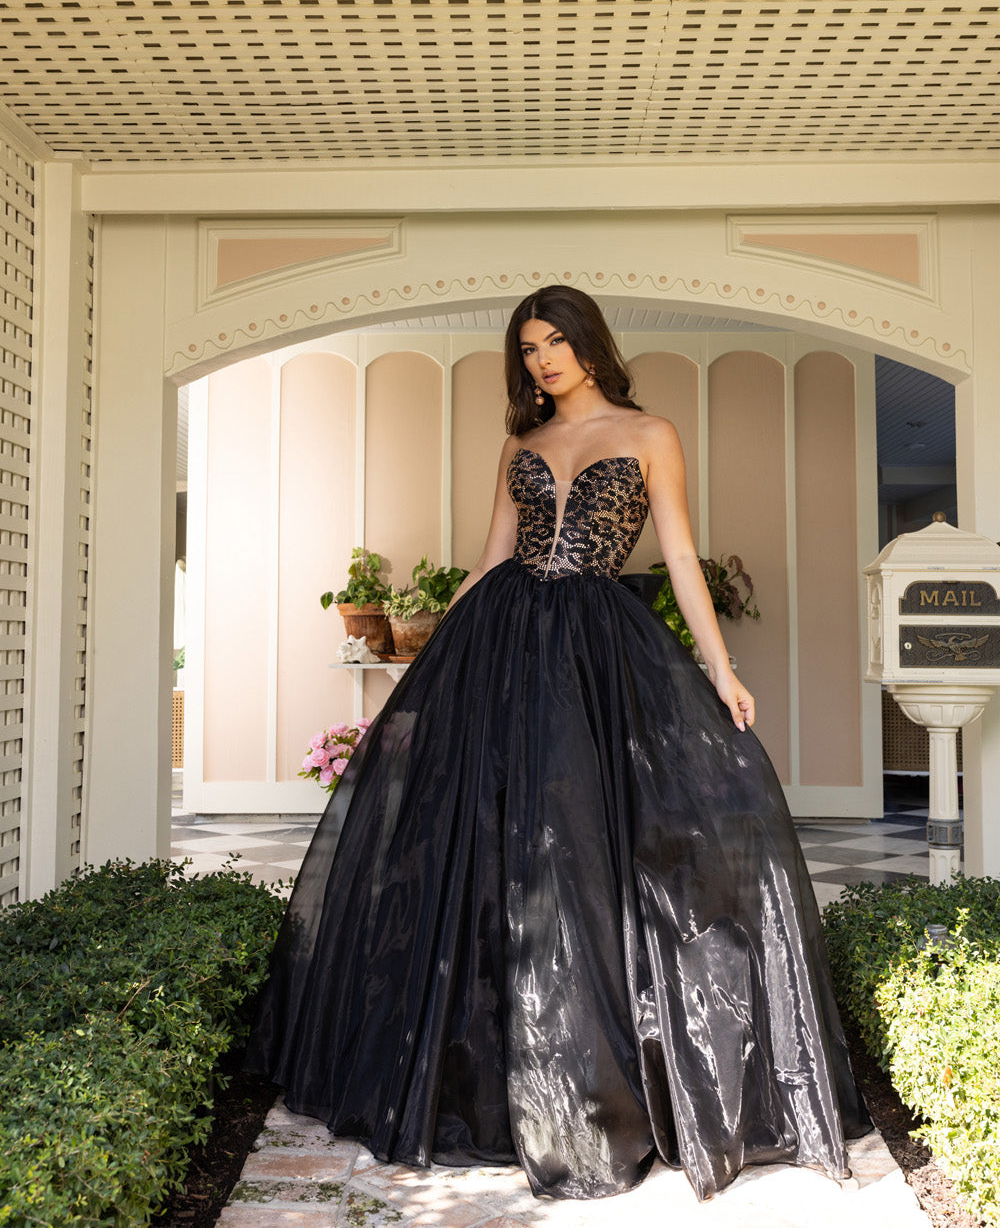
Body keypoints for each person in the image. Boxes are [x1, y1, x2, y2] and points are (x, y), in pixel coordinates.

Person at [245, 284, 870, 1204]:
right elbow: (490, 560)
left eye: (553, 343)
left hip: (593, 657)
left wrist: (721, 667)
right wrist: (427, 665)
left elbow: (681, 557)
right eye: (528, 349)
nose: (541, 360)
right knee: (497, 851)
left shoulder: (650, 434)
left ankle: (593, 1086)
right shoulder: (519, 445)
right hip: (500, 644)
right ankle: (494, 1076)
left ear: (587, 343)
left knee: (584, 847)